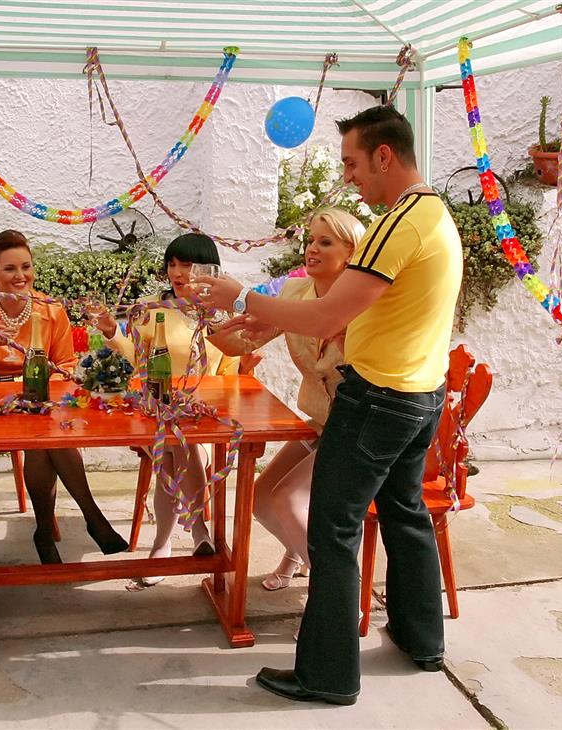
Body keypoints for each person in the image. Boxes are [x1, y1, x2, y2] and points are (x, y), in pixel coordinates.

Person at [198, 105, 462, 705]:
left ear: (384, 156)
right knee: (404, 513)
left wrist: (242, 295)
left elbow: (325, 316)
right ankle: (421, 639)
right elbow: (355, 310)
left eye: (352, 163)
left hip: (379, 398)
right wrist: (265, 316)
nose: (348, 177)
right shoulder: (434, 216)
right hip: (420, 393)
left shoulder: (399, 223)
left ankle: (327, 674)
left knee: (333, 529)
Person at [208, 207, 364, 593]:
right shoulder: (295, 293)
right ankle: (301, 555)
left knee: (289, 498)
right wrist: (212, 317)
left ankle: (340, 592)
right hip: (320, 422)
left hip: (359, 429)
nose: (312, 249)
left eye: (325, 242)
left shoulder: (366, 301)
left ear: (351, 252)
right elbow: (242, 343)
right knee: (261, 498)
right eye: (310, 240)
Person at [0, 229, 128, 565]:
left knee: (43, 435)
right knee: (44, 435)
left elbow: (66, 365)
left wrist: (43, 389)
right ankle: (90, 519)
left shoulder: (51, 309)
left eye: (26, 267)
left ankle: (46, 530)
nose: (20, 276)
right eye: (10, 269)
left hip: (41, 400)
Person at [91, 233, 243, 584]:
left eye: (186, 265)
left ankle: (161, 546)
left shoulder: (221, 316)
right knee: (174, 440)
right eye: (172, 264)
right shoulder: (151, 310)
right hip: (153, 413)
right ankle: (198, 531)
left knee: (177, 447)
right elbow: (134, 363)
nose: (177, 272)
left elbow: (229, 376)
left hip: (204, 417)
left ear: (208, 270)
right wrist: (112, 331)